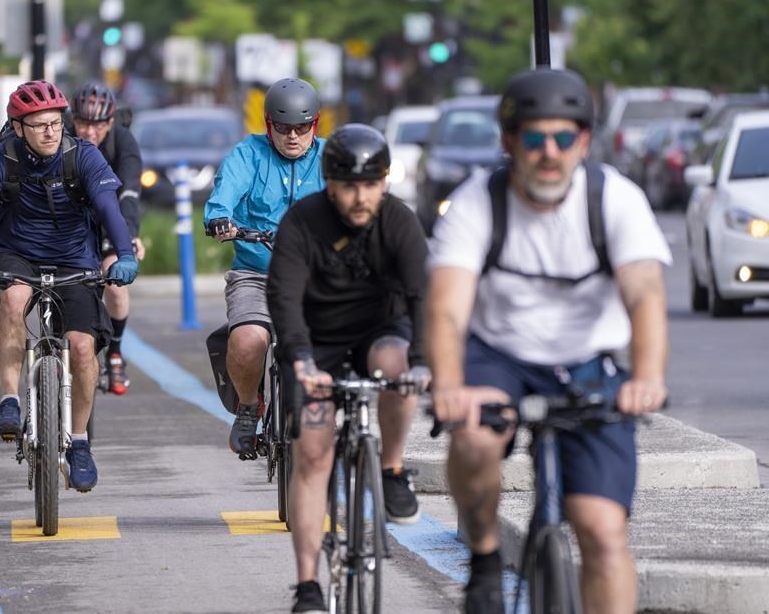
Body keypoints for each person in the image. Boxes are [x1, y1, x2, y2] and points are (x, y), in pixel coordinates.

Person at [426, 68, 670, 614]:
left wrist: (648, 378)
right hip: (499, 354)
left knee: (602, 531)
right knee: (473, 437)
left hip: (587, 362)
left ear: (584, 141)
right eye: (534, 139)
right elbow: (445, 309)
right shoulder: (476, 203)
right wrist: (448, 386)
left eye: (564, 139)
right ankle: (485, 553)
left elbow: (646, 296)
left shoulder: (616, 201)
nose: (550, 154)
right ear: (510, 142)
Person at [266, 124, 430, 613]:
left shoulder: (399, 220)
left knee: (398, 369)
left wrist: (423, 362)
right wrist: (300, 359)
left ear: (384, 182)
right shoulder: (303, 222)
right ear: (330, 184)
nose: (361, 197)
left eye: (371, 185)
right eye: (349, 186)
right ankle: (308, 585)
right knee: (314, 451)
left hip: (380, 331)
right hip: (316, 342)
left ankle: (392, 468)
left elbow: (425, 294)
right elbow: (284, 296)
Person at [0, 80, 138, 493]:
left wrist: (124, 254)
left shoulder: (83, 157)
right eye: (39, 125)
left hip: (75, 257)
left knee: (82, 345)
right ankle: (9, 399)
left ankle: (81, 444)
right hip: (14, 252)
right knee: (14, 297)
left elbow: (110, 209)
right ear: (18, 128)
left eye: (56, 123)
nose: (50, 132)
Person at [204, 77, 325, 457]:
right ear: (268, 125)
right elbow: (225, 191)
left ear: (315, 126)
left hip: (315, 276)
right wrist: (220, 217)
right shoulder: (248, 154)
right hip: (256, 274)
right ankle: (247, 407)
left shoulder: (329, 159)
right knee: (248, 341)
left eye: (302, 128)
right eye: (283, 128)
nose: (293, 136)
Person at [71, 83, 144, 395]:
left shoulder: (123, 143)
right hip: (69, 222)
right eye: (83, 123)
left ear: (111, 123)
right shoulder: (60, 137)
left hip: (110, 219)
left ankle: (115, 349)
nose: (89, 132)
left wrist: (129, 238)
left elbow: (129, 194)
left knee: (114, 281)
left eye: (97, 125)